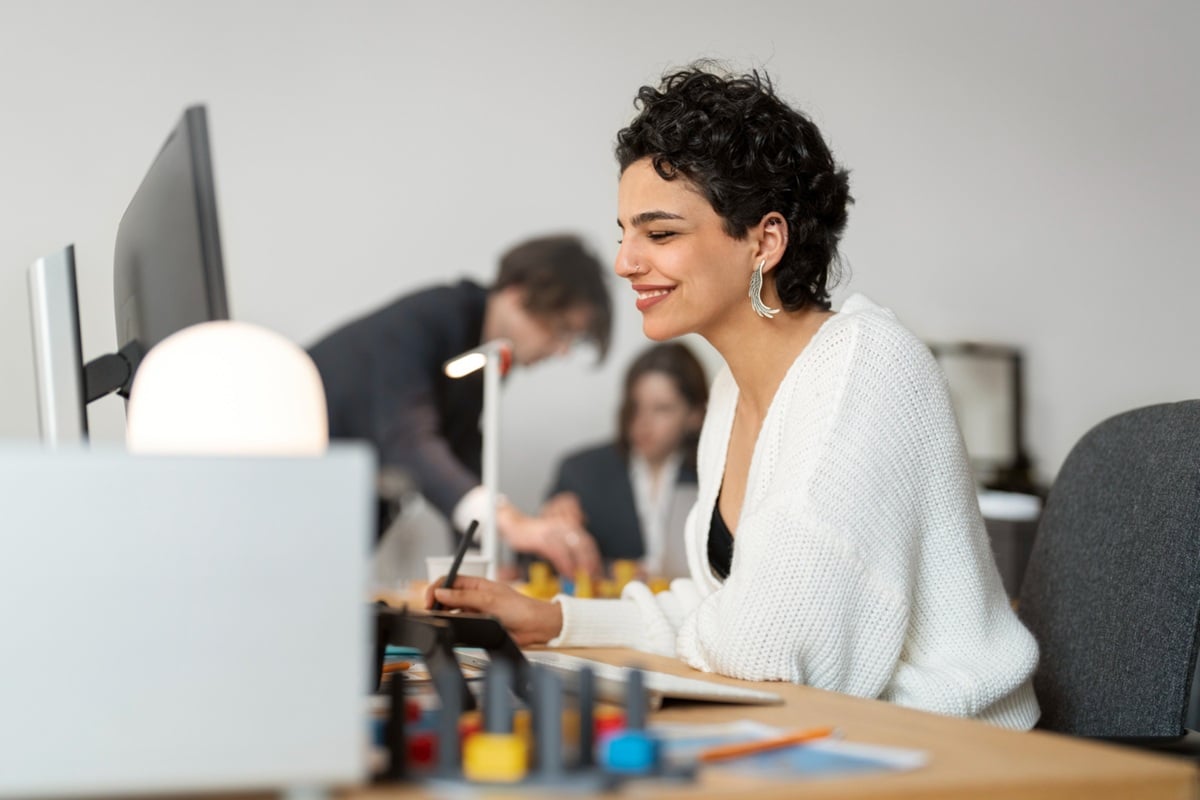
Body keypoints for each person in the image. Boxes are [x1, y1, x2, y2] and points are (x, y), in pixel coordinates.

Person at [426, 66, 1040, 729]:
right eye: (624, 231)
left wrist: (714, 625)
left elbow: (769, 648)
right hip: (830, 732)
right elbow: (728, 605)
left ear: (764, 242)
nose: (623, 261)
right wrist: (553, 618)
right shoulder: (730, 392)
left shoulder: (864, 368)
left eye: (659, 234)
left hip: (952, 752)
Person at [309, 234, 609, 577]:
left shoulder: (483, 355)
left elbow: (460, 454)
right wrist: (509, 522)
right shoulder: (429, 319)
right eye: (561, 329)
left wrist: (488, 565)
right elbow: (409, 438)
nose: (562, 350)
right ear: (517, 294)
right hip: (288, 487)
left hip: (335, 514)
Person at [542, 342, 707, 576]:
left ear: (695, 415)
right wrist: (556, 528)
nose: (643, 422)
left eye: (662, 409)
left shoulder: (718, 476)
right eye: (636, 406)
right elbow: (540, 565)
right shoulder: (581, 473)